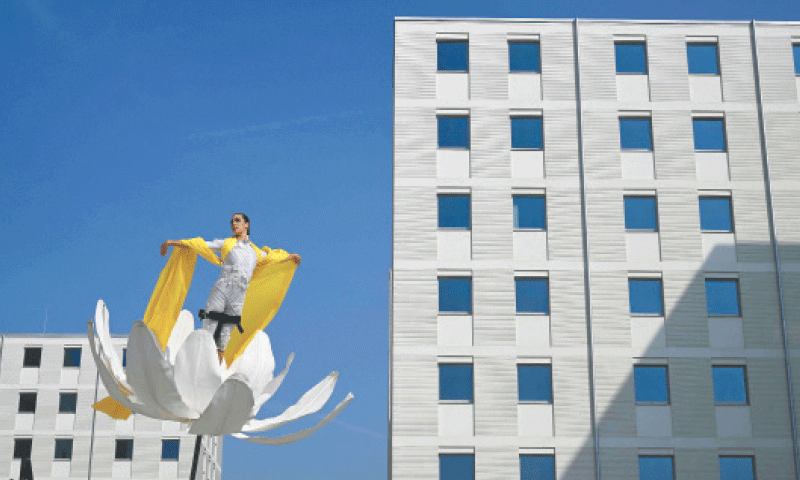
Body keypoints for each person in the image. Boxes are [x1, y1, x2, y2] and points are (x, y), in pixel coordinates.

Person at [160, 213, 301, 363]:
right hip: (223, 288)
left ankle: (217, 368)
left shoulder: (256, 252)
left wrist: (290, 257)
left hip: (239, 293)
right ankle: (197, 362)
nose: (234, 224)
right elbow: (201, 245)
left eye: (237, 220)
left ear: (246, 224)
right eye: (232, 222)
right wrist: (171, 242)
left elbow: (273, 257)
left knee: (225, 335)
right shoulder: (226, 244)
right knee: (210, 327)